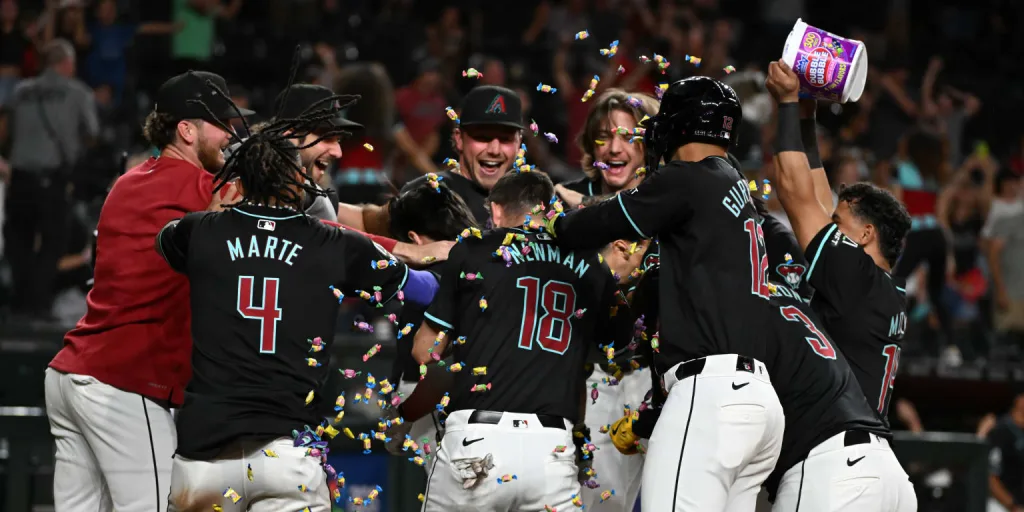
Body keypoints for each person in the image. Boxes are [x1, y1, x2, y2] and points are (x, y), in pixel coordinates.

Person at [156, 96, 440, 511]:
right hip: (288, 451)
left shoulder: (200, 232)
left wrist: (225, 209)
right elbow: (422, 289)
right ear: (296, 179)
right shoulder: (334, 242)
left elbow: (166, 239)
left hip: (205, 455)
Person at [546, 76, 785, 511]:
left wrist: (555, 224)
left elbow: (591, 225)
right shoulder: (734, 182)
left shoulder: (687, 177)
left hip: (708, 391)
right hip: (759, 400)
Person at [44, 70, 250, 512]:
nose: (231, 133)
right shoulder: (199, 186)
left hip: (71, 377)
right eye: (221, 122)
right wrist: (398, 248)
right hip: (125, 382)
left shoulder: (130, 179)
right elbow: (305, 231)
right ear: (186, 129)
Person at [408, 171, 629, 511]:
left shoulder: (475, 251)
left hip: (478, 441)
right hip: (552, 449)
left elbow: (425, 351)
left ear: (496, 211)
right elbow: (608, 351)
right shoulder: (591, 266)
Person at [766, 59, 913, 427]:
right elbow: (815, 197)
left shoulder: (857, 277)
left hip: (842, 449)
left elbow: (795, 195)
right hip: (866, 446)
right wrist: (805, 116)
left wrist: (785, 103)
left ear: (866, 235)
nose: (828, 224)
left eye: (838, 222)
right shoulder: (878, 286)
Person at [385, 175, 479, 474]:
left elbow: (439, 367)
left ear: (413, 239)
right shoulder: (486, 266)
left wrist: (402, 417)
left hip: (434, 401)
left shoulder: (435, 280)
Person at [342, 85, 525, 229]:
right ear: (459, 139)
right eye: (482, 137)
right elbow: (369, 226)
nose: (494, 149)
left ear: (519, 143)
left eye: (506, 139)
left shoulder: (532, 199)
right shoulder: (426, 194)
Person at [5, 38, 98, 320]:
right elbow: (92, 131)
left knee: (18, 240)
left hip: (19, 178)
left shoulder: (20, 91)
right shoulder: (78, 92)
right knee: (53, 241)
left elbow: (8, 132)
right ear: (67, 63)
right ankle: (38, 304)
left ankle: (19, 303)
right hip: (51, 179)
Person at [555, 89, 660, 206]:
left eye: (628, 137)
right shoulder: (563, 199)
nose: (614, 149)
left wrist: (583, 202)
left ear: (650, 145)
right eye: (604, 137)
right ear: (591, 144)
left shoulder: (667, 199)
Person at [987, 384, 1024, 512]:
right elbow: (990, 477)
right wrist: (1012, 506)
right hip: (1001, 505)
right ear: (1018, 399)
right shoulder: (1001, 431)